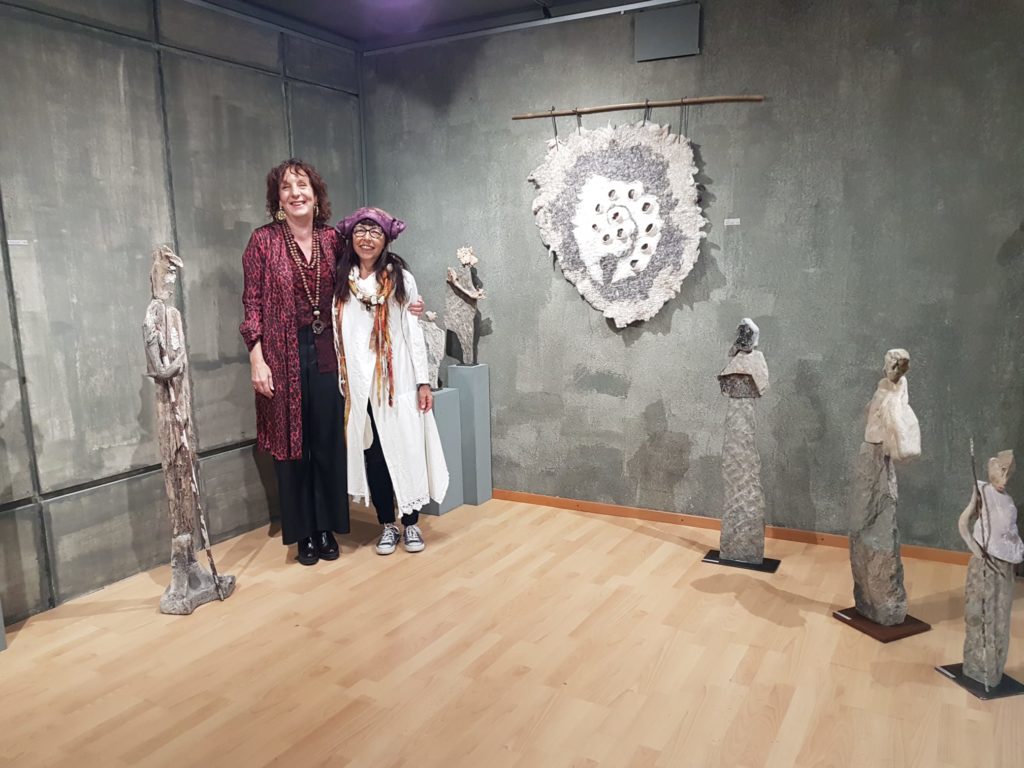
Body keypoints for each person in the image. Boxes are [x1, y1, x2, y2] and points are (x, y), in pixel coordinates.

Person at [240, 161, 428, 565]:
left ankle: (326, 527)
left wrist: (408, 301)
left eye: (302, 185)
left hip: (329, 350)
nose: (295, 193)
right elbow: (251, 303)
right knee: (293, 444)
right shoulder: (262, 242)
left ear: (315, 194)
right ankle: (303, 533)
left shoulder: (331, 240)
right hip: (281, 354)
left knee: (328, 440)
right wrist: (256, 358)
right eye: (286, 187)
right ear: (277, 198)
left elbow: (368, 271)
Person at [333, 207, 449, 555]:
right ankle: (387, 524)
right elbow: (339, 333)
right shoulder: (342, 280)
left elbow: (413, 331)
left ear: (385, 240)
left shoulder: (400, 279)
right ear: (351, 238)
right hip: (361, 385)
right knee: (375, 455)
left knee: (408, 448)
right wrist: (344, 380)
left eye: (375, 232)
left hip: (397, 380)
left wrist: (423, 381)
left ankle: (411, 523)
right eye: (360, 231)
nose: (367, 239)